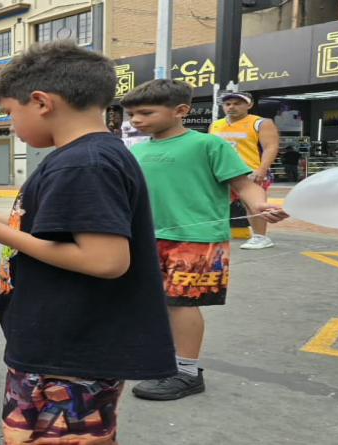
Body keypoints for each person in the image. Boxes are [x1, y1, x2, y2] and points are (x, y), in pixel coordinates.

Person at [0, 41, 177, 445]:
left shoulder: (84, 163)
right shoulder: (82, 155)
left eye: (11, 113)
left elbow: (105, 260)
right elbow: (50, 228)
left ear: (41, 102)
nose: (12, 125)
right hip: (64, 338)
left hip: (70, 350)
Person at [121, 79, 287, 402]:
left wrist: (259, 205)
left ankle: (187, 373)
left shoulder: (209, 145)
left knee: (182, 303)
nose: (135, 120)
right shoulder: (137, 151)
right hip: (147, 238)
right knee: (157, 302)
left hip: (195, 238)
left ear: (180, 111)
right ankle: (165, 360)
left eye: (145, 112)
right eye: (131, 114)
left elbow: (244, 183)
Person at [210, 92, 280, 249]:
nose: (231, 107)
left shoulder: (260, 123)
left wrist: (262, 170)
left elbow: (271, 147)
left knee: (253, 205)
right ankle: (213, 233)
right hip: (220, 172)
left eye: (237, 103)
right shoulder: (216, 125)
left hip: (249, 172)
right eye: (227, 104)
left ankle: (261, 237)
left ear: (249, 105)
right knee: (214, 204)